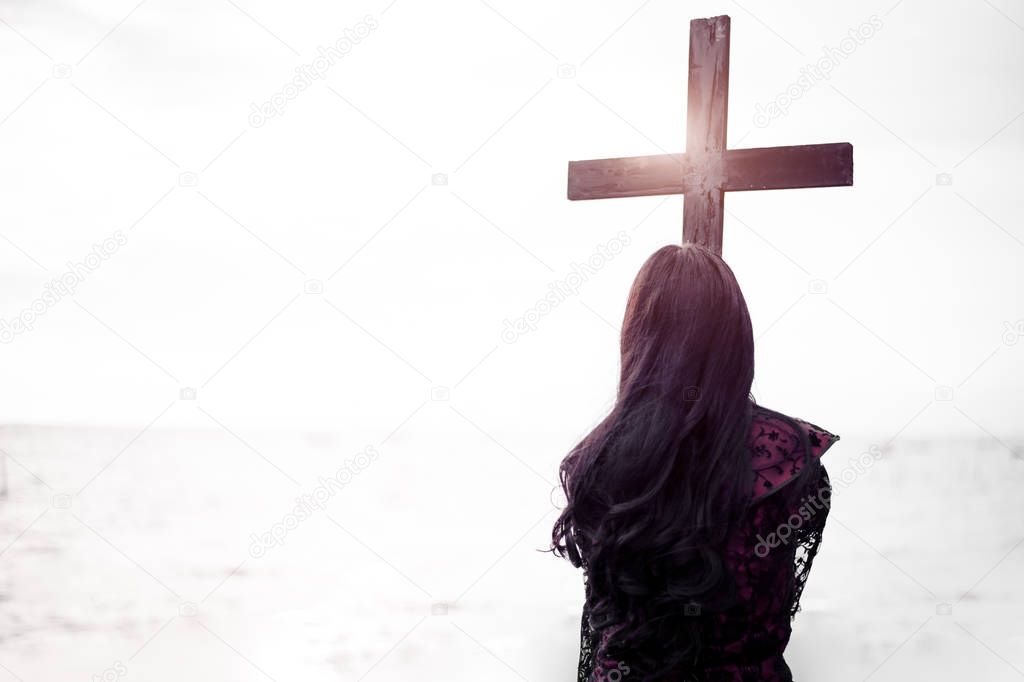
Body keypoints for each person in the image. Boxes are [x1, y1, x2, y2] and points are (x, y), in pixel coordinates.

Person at [550, 243, 839, 681]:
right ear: (736, 337)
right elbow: (777, 610)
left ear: (638, 338)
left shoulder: (597, 462)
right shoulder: (790, 462)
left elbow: (602, 624)